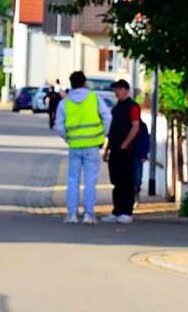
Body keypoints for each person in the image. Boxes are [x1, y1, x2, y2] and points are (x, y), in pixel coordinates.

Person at [54, 70, 112, 224]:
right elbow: (107, 117)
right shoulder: (94, 98)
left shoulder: (64, 103)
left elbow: (58, 126)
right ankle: (88, 215)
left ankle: (71, 214)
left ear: (71, 84)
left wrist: (69, 138)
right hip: (92, 145)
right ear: (85, 82)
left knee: (73, 180)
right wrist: (102, 135)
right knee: (90, 181)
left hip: (75, 146)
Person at [102, 79, 140, 224]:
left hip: (127, 150)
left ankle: (126, 211)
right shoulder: (116, 108)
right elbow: (112, 131)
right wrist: (107, 150)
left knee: (126, 182)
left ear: (125, 90)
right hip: (115, 149)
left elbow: (135, 127)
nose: (115, 92)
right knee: (116, 182)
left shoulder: (133, 107)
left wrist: (125, 144)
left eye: (117, 89)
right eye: (115, 90)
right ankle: (117, 211)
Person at [133, 118, 150, 202]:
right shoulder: (125, 123)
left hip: (138, 155)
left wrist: (144, 154)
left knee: (138, 177)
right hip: (127, 155)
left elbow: (146, 140)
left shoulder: (142, 126)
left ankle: (136, 193)